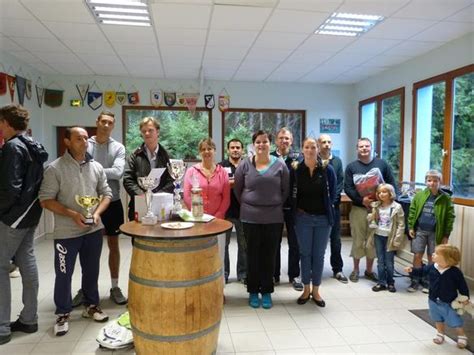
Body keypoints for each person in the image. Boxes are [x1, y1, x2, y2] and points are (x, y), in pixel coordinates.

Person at [39, 126, 112, 336]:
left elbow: (106, 193)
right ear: (67, 142)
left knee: (91, 271)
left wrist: (97, 213)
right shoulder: (54, 169)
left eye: (86, 138)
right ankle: (62, 313)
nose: (84, 142)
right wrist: (72, 214)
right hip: (66, 234)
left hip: (93, 230)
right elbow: (45, 200)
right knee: (64, 274)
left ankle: (92, 306)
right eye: (78, 138)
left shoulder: (96, 167)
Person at [0, 104, 48, 345]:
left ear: (7, 123)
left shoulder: (12, 147)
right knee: (27, 262)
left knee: (0, 266)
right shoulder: (32, 144)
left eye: (0, 122)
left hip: (13, 217)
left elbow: (11, 188)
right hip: (31, 215)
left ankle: (1, 328)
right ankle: (29, 318)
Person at [72, 111, 127, 307]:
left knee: (114, 245)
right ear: (97, 122)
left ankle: (115, 286)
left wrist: (92, 168)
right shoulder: (86, 143)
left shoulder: (118, 147)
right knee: (85, 246)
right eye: (103, 121)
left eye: (110, 122)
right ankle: (85, 288)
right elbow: (78, 165)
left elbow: (119, 172)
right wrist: (103, 170)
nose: (106, 125)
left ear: (113, 126)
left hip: (112, 201)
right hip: (87, 202)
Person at [234, 130, 289, 309]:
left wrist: (272, 204)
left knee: (269, 255)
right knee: (252, 255)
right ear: (253, 144)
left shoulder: (280, 165)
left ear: (270, 144)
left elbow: (285, 190)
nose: (261, 145)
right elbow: (238, 189)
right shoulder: (244, 165)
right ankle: (252, 291)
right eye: (258, 142)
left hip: (273, 217)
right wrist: (250, 204)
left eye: (265, 142)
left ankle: (266, 291)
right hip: (250, 217)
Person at [344, 137, 398, 283]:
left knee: (373, 240)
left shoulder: (382, 164)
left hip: (379, 210)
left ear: (372, 147)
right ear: (357, 149)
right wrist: (362, 200)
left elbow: (392, 183)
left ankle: (369, 270)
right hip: (359, 208)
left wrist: (385, 200)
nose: (364, 149)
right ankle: (355, 270)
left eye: (367, 146)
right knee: (358, 239)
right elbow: (347, 187)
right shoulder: (351, 167)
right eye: (361, 146)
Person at [292, 137, 336, 307]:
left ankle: (316, 291)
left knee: (318, 255)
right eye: (306, 147)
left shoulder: (327, 170)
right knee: (305, 254)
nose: (310, 150)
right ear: (302, 149)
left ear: (318, 149)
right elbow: (291, 193)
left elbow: (333, 194)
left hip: (323, 219)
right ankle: (306, 289)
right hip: (303, 218)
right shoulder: (296, 170)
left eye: (313, 147)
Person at [405, 244, 469, 349]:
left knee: (455, 320)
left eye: (436, 253)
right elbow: (421, 271)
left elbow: (462, 286)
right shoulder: (432, 267)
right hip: (433, 300)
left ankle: (461, 335)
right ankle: (440, 334)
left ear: (447, 258)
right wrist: (412, 270)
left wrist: (465, 297)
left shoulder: (455, 272)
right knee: (437, 318)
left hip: (449, 302)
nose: (433, 254)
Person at [407, 169, 455, 293]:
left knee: (432, 256)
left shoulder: (445, 199)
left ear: (440, 182)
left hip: (436, 233)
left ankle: (429, 281)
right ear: (425, 182)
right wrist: (411, 227)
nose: (432, 183)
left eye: (435, 181)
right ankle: (415, 280)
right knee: (417, 254)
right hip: (420, 230)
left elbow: (450, 218)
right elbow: (412, 211)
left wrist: (446, 235)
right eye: (429, 181)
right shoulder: (419, 195)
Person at [123, 117, 174, 221]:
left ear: (157, 132)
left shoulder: (167, 156)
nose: (147, 133)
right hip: (139, 205)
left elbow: (172, 180)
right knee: (139, 236)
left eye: (150, 130)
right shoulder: (134, 156)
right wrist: (143, 195)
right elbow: (127, 179)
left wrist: (157, 196)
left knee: (161, 236)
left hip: (162, 205)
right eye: (144, 131)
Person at [271, 127, 303, 291]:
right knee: (274, 242)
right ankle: (274, 275)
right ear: (276, 140)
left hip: (294, 207)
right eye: (281, 138)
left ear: (291, 141)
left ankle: (294, 275)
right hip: (274, 207)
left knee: (295, 243)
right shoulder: (269, 158)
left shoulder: (298, 158)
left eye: (287, 138)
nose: (284, 141)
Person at [318, 134, 347, 283]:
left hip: (333, 207)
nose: (327, 145)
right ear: (318, 144)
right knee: (317, 241)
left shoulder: (337, 162)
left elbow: (339, 183)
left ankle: (338, 269)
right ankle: (313, 269)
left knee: (335, 239)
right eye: (323, 142)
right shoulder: (313, 161)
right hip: (317, 208)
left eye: (329, 142)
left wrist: (332, 202)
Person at [367, 183, 405, 293]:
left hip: (390, 237)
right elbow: (371, 219)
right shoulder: (376, 206)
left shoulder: (397, 207)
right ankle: (381, 282)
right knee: (380, 260)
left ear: (390, 193)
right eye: (379, 192)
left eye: (384, 192)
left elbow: (401, 224)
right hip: (378, 235)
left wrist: (397, 239)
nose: (381, 194)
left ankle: (390, 282)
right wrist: (371, 217)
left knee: (389, 261)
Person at [219, 138, 247, 284]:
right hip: (226, 212)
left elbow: (250, 184)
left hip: (244, 212)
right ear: (228, 150)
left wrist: (231, 183)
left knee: (244, 245)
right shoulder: (221, 166)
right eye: (232, 147)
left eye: (238, 147)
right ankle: (224, 273)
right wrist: (237, 183)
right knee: (224, 245)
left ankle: (243, 274)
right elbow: (220, 185)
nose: (235, 150)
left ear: (242, 150)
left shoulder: (248, 165)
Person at [183, 138, 230, 220]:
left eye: (209, 149)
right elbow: (187, 196)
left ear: (214, 151)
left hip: (217, 220)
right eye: (203, 149)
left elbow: (226, 199)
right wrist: (197, 214)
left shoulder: (223, 172)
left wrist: (218, 215)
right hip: (197, 217)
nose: (206, 151)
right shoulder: (191, 171)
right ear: (200, 152)